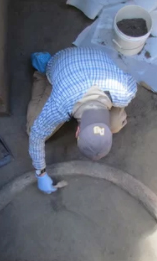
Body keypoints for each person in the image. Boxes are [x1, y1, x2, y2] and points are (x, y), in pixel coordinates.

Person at [26, 47, 137, 194]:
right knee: (32, 128)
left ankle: (104, 116)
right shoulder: (59, 103)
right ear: (77, 131)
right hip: (63, 61)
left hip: (98, 55)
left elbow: (129, 75)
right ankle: (42, 74)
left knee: (116, 123)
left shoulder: (125, 92)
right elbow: (36, 135)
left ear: (78, 131)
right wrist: (40, 173)